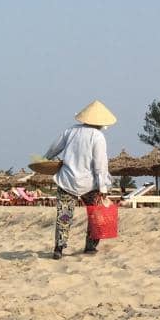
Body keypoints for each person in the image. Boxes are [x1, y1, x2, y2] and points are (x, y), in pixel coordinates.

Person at [45, 99, 116, 258]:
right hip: (89, 183)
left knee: (64, 215)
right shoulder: (98, 137)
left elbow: (53, 149)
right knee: (95, 214)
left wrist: (45, 159)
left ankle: (59, 248)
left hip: (66, 180)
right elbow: (100, 165)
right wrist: (103, 188)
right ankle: (90, 246)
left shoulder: (70, 131)